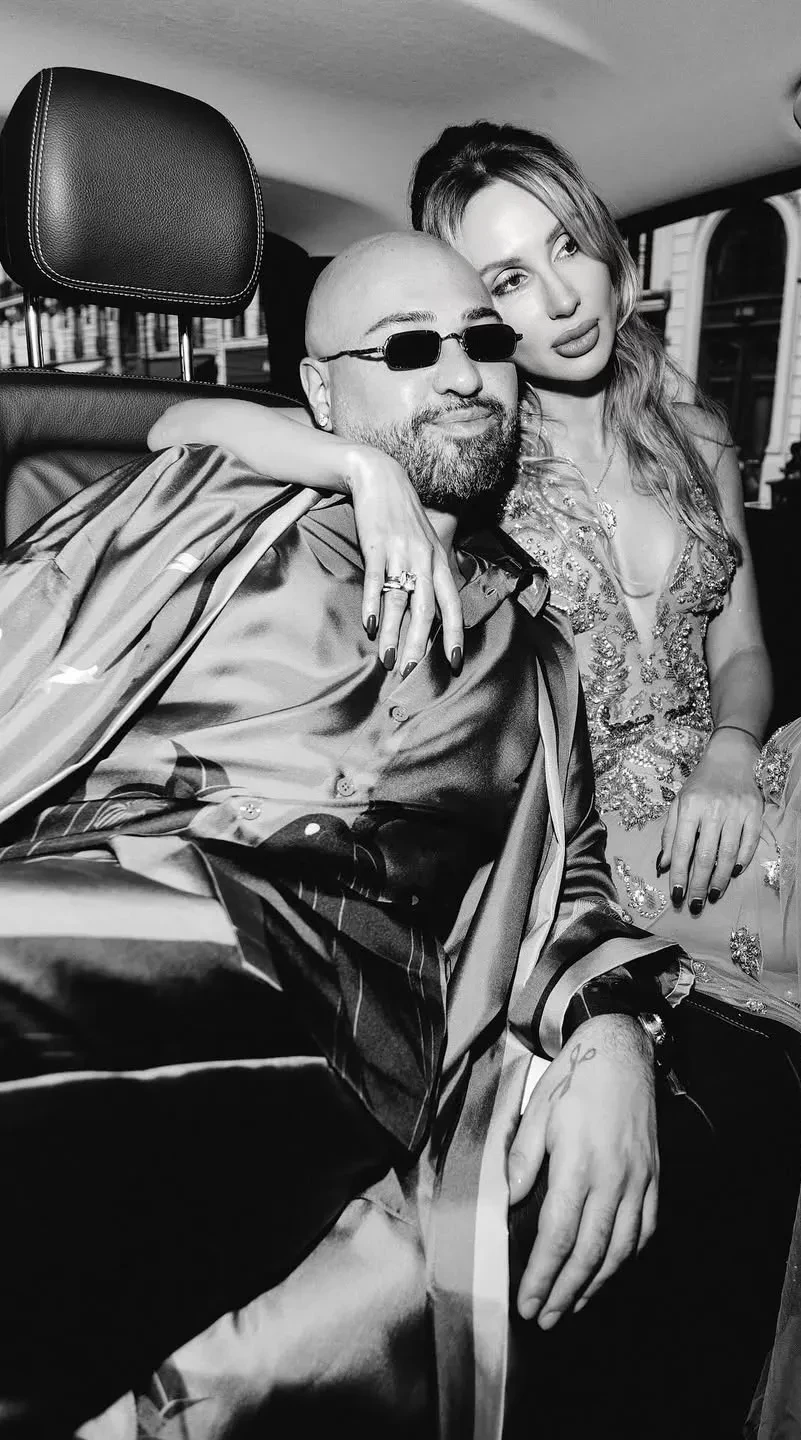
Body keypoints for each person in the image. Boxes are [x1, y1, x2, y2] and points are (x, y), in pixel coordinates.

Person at [148, 125, 801, 1440]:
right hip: (603, 838)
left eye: (568, 248)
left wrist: (735, 750)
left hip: (721, 778)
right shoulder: (464, 436)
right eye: (506, 283)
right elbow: (183, 426)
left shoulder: (689, 428)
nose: (561, 297)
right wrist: (351, 463)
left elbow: (742, 653)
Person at [0, 232, 709, 1440]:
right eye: (409, 348)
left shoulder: (536, 658)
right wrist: (339, 468)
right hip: (114, 893)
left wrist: (616, 1033)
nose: (463, 373)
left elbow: (570, 873)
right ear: (321, 392)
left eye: (484, 341)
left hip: (339, 1003)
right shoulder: (220, 507)